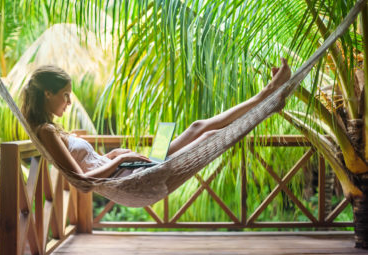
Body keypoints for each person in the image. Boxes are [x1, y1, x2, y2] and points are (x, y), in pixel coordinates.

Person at [21, 58, 291, 179]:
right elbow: (83, 182)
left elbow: (90, 165)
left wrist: (114, 154)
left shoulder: (49, 129)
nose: (69, 102)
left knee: (198, 127)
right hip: (132, 176)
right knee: (208, 135)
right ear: (48, 93)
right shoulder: (46, 131)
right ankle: (268, 100)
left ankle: (267, 96)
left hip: (133, 169)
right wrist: (118, 159)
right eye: (66, 95)